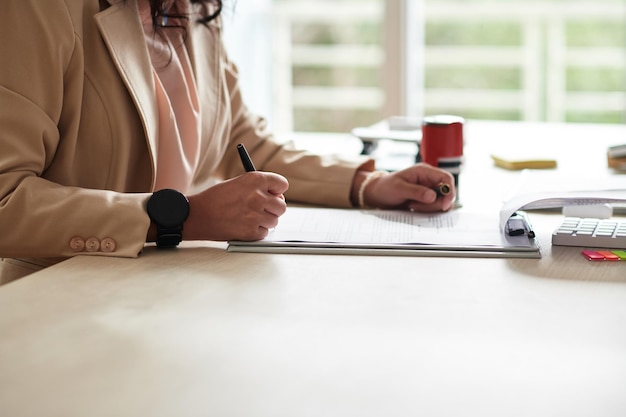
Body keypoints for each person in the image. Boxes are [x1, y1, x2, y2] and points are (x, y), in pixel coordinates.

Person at [0, 0, 455, 279]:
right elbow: (6, 199)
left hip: (163, 290)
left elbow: (242, 141)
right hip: (57, 299)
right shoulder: (41, 8)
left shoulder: (193, 10)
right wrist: (181, 218)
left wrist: (368, 186)